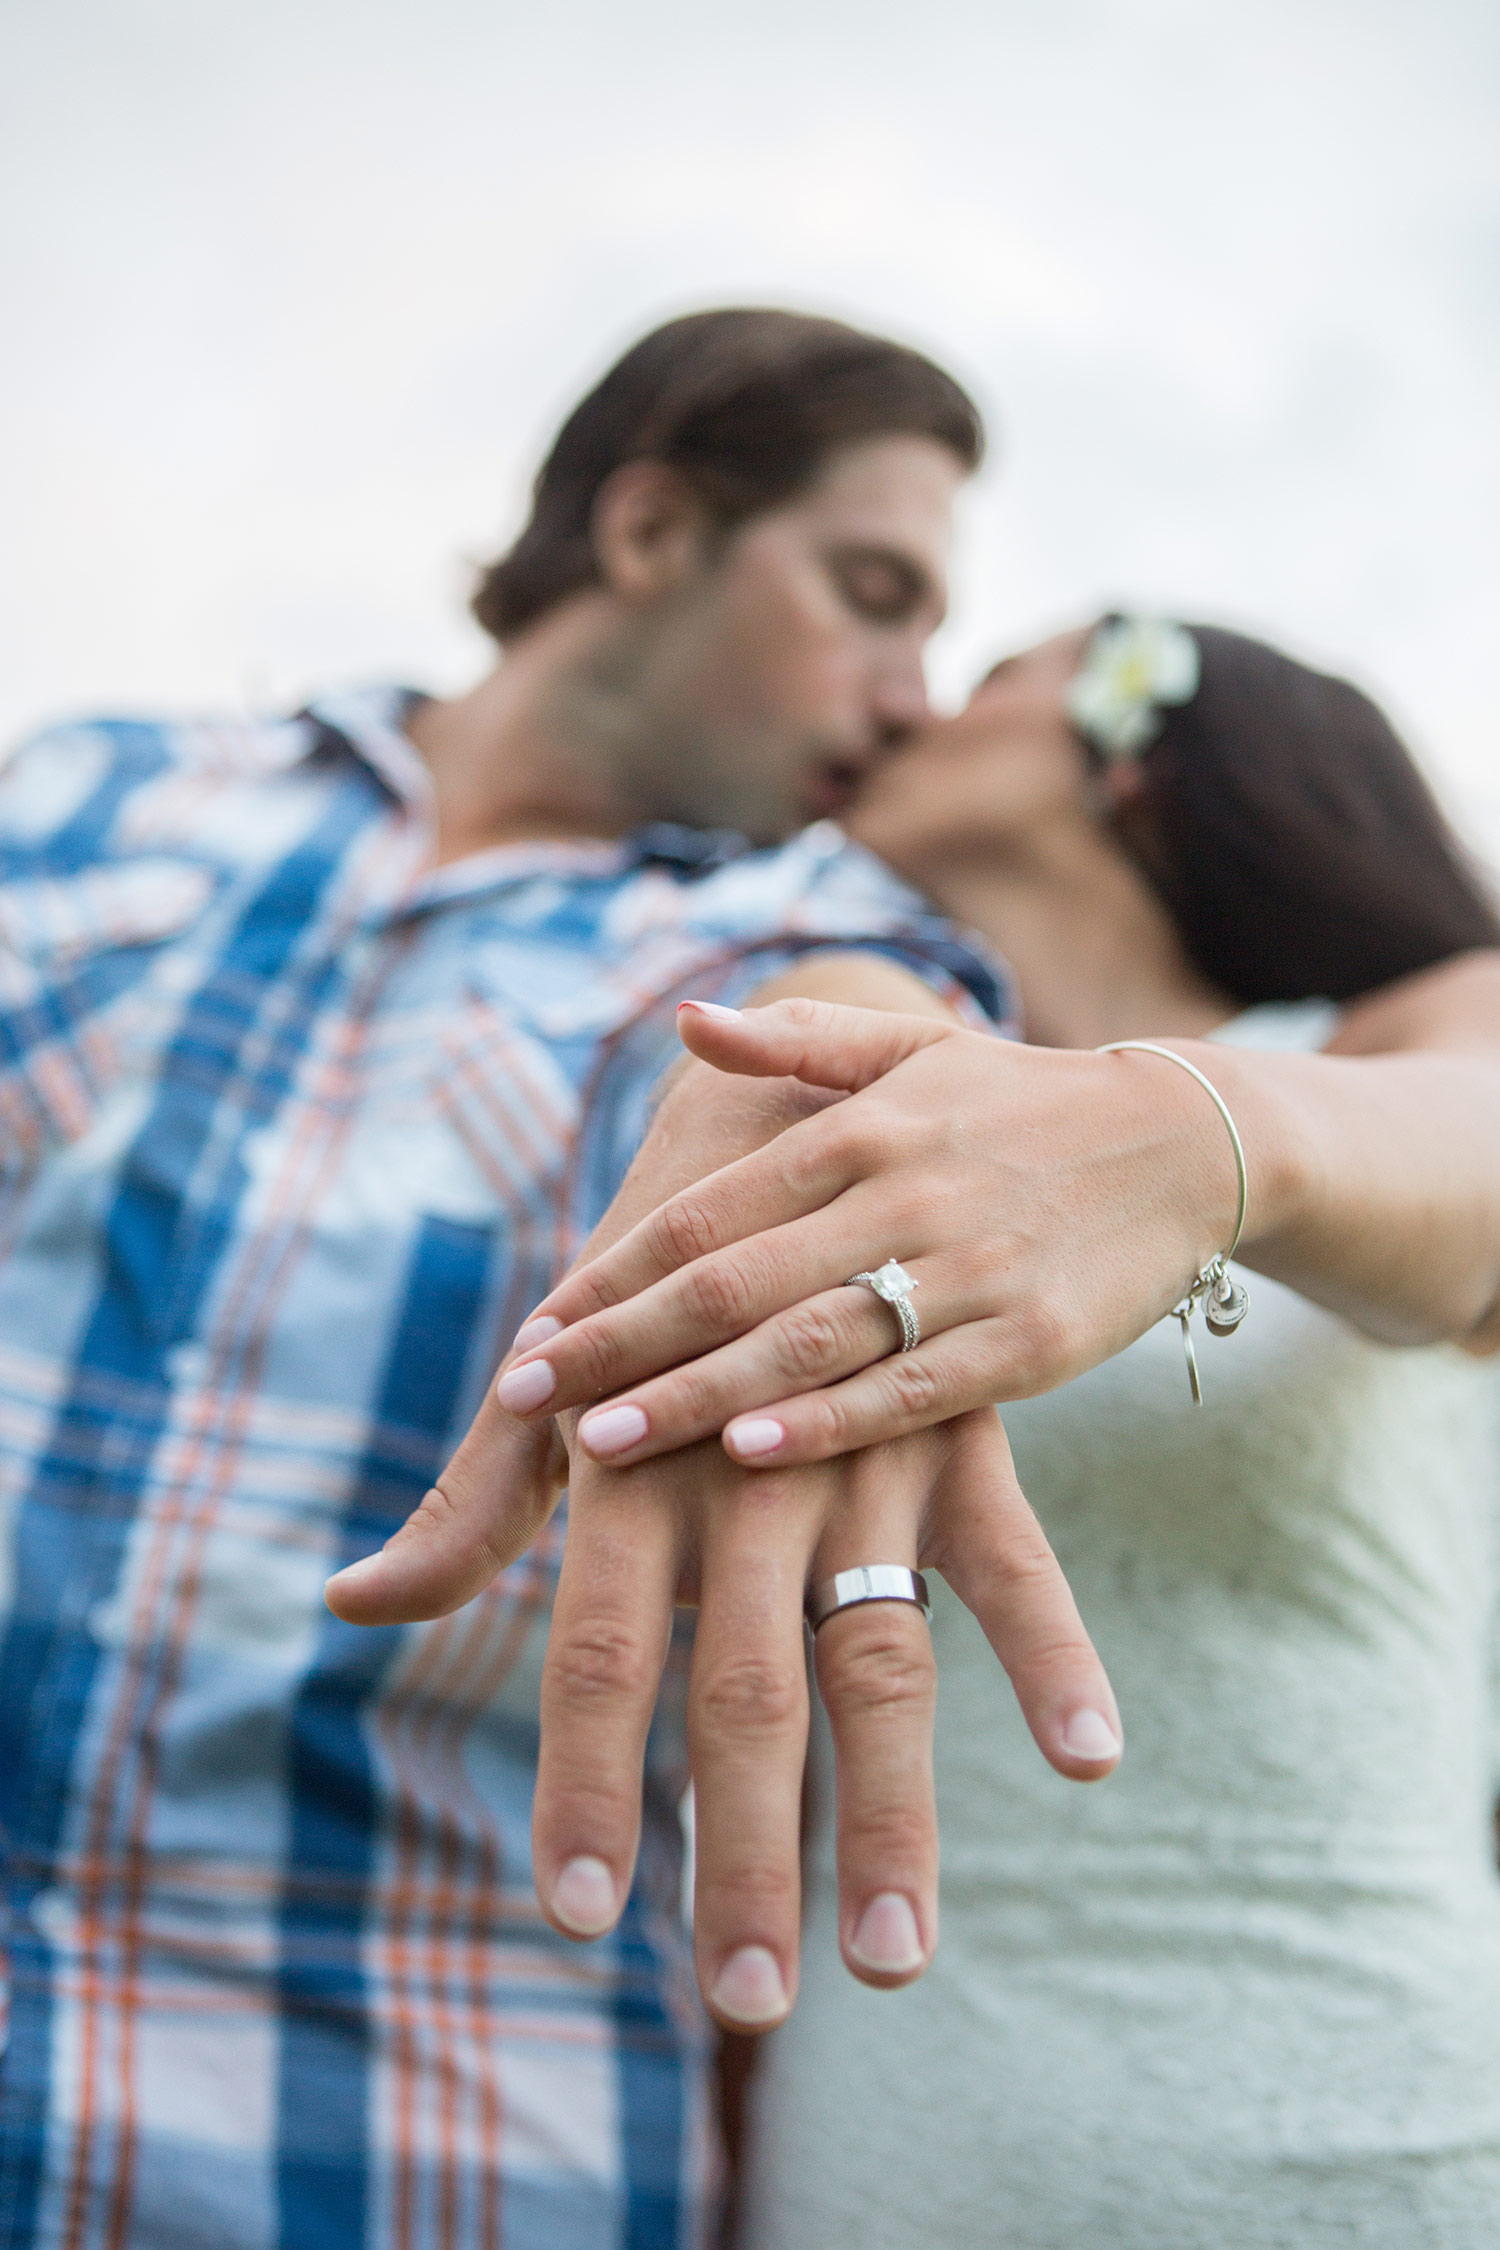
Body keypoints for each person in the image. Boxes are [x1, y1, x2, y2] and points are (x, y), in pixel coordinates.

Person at [0, 306, 1100, 2250]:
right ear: (656, 526)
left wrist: (861, 1121)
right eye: (871, 592)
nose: (911, 695)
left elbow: (851, 1022)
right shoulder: (96, 791)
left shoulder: (782, 922)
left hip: (398, 2148)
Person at [472, 618, 1500, 2245]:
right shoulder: (825, 1091)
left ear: (1132, 746)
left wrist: (1181, 1134)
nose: (921, 705)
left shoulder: (1418, 1027)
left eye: (1000, 668)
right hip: (892, 2142)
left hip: (1373, 2120)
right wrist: (833, 1016)